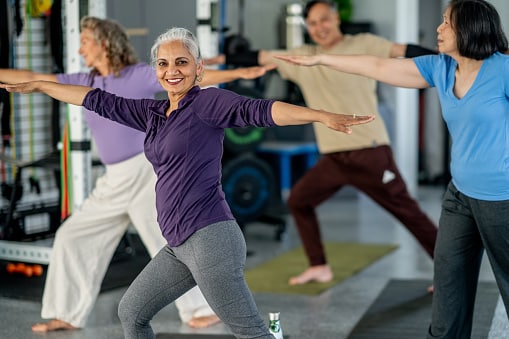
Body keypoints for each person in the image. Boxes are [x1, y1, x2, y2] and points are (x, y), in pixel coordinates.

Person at [0, 26, 374, 338]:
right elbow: (96, 99)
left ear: (198, 69)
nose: (171, 70)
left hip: (212, 240)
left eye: (181, 62)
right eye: (163, 63)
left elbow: (260, 111)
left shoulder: (207, 104)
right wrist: (41, 86)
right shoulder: (154, 112)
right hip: (178, 245)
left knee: (252, 333)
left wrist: (321, 116)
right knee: (131, 312)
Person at [275, 0, 509, 337]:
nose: (439, 29)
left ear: (470, 28)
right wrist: (321, 58)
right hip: (460, 194)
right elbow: (377, 66)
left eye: (447, 23)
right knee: (448, 280)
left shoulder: (501, 69)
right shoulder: (440, 68)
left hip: (500, 198)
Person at [206, 0, 439, 286]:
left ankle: (450, 272)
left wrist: (449, 59)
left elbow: (407, 52)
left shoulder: (364, 43)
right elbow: (258, 56)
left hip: (369, 151)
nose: (319, 28)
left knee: (409, 213)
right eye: (313, 24)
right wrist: (215, 61)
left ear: (336, 19)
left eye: (324, 20)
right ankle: (318, 266)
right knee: (300, 200)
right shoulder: (302, 57)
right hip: (334, 157)